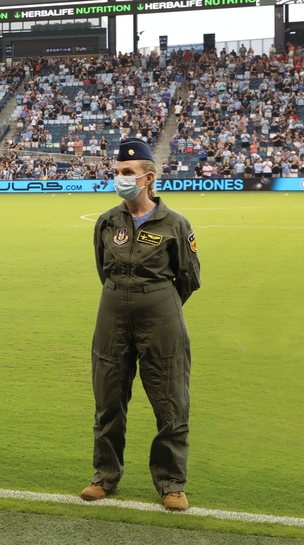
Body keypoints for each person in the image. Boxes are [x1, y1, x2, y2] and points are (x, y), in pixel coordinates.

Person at [81, 138, 201, 511]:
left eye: (128, 173)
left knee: (170, 401)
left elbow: (189, 277)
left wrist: (155, 300)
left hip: (161, 315)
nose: (120, 178)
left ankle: (171, 483)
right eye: (117, 172)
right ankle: (105, 476)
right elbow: (104, 269)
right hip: (112, 311)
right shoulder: (107, 222)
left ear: (148, 178)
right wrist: (126, 295)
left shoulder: (175, 224)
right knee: (108, 398)